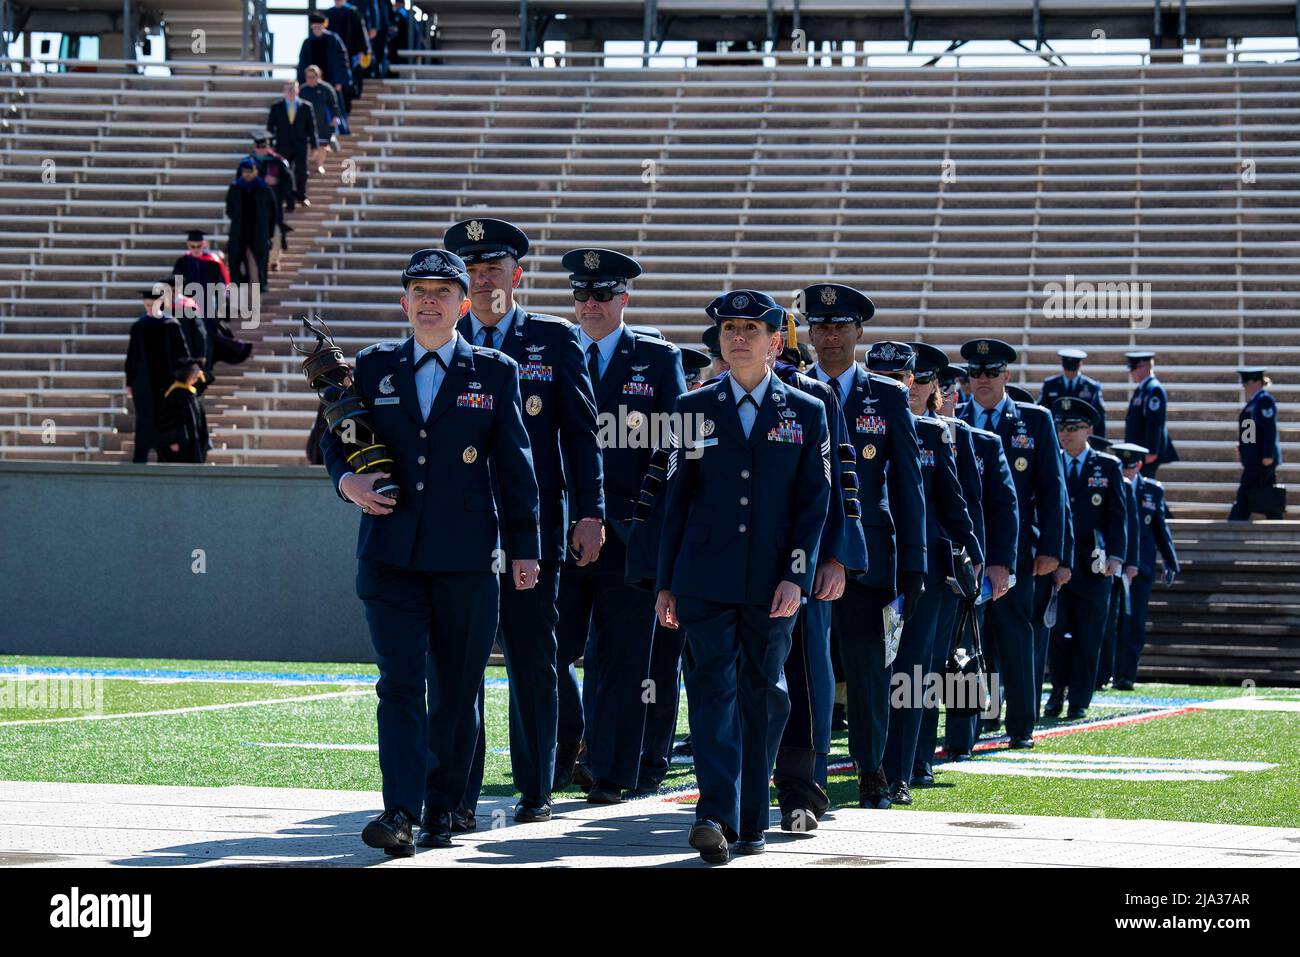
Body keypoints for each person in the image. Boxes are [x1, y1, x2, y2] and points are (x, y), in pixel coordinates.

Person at [321, 248, 540, 856]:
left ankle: (446, 807)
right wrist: (349, 483)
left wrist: (526, 549)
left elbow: (516, 469)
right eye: (418, 291)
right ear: (403, 302)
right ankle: (400, 811)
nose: (429, 301)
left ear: (463, 305)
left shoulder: (494, 371)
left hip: (467, 560)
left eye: (443, 292)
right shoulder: (372, 366)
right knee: (398, 684)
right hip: (390, 557)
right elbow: (335, 441)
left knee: (456, 688)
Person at [655, 289, 831, 863]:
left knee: (764, 694)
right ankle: (715, 816)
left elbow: (815, 504)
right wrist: (666, 581)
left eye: (751, 329)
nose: (738, 337)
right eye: (729, 328)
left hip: (773, 583)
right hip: (704, 578)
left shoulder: (807, 411)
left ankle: (752, 820)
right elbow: (675, 500)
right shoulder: (691, 408)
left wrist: (797, 577)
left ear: (776, 343)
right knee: (711, 692)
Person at [441, 219, 605, 827]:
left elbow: (583, 437)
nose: (483, 282)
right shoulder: (440, 340)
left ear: (517, 275)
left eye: (493, 271)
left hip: (533, 531)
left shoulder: (554, 339)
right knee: (460, 662)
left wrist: (590, 512)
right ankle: (459, 793)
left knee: (535, 659)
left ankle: (536, 787)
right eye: (473, 272)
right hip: (459, 529)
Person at [555, 248, 686, 805]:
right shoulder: (551, 350)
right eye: (581, 295)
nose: (590, 305)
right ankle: (561, 754)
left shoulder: (656, 359)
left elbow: (675, 448)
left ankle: (612, 770)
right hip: (556, 529)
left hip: (630, 535)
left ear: (623, 299)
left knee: (623, 658)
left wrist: (652, 526)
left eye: (602, 295)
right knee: (546, 650)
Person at [805, 294, 925, 809]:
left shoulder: (888, 397)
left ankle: (871, 766)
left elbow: (909, 487)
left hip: (868, 556)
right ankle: (803, 770)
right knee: (804, 669)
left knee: (868, 670)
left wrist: (914, 561)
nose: (830, 335)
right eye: (821, 326)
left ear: (859, 333)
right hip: (802, 554)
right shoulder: (789, 387)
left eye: (841, 326)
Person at [771, 284, 867, 831]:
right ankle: (734, 783)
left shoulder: (814, 399)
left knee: (807, 672)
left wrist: (835, 556)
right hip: (732, 563)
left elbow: (840, 486)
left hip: (803, 562)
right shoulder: (709, 397)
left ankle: (802, 787)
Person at [873, 341, 982, 805]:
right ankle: (868, 766)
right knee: (868, 673)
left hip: (927, 569)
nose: (899, 386)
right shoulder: (848, 421)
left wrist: (974, 552)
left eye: (903, 377)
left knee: (913, 672)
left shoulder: (936, 434)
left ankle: (901, 771)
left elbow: (954, 501)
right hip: (870, 563)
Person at [958, 338, 1068, 750]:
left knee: (1016, 638)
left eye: (991, 372)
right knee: (967, 641)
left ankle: (1021, 724)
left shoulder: (1034, 420)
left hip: (1017, 549)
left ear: (1007, 376)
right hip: (965, 548)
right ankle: (969, 726)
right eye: (975, 373)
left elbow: (1052, 491)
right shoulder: (955, 416)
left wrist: (1053, 550)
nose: (982, 380)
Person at [931, 363, 1018, 760]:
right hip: (928, 559)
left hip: (968, 564)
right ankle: (918, 739)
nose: (947, 395)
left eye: (951, 388)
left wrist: (999, 562)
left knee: (965, 651)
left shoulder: (980, 441)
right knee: (924, 656)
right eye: (940, 387)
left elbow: (1002, 506)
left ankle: (962, 737)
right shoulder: (909, 432)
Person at [1043, 398, 1128, 721]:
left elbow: (1118, 517)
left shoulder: (1107, 466)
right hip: (1057, 564)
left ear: (1089, 430)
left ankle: (1080, 698)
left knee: (1088, 636)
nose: (1066, 434)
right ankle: (1056, 693)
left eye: (1074, 427)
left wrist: (1116, 558)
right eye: (1061, 427)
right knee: (1057, 635)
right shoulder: (1050, 460)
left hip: (1094, 566)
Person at [1112, 442, 1179, 689]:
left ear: (1139, 465)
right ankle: (1104, 673)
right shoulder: (1111, 483)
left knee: (1134, 623)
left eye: (1130, 467)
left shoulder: (1152, 491)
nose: (1126, 472)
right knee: (1109, 623)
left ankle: (1126, 674)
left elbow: (1160, 529)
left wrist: (1170, 561)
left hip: (1141, 568)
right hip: (1113, 566)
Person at [124, 287, 191, 463]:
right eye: (146, 305)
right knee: (144, 420)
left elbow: (182, 355)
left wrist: (183, 378)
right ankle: (140, 458)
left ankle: (165, 459)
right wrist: (130, 381)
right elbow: (132, 355)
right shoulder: (139, 326)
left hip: (167, 383)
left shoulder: (171, 325)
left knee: (166, 420)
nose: (148, 308)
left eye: (151, 304)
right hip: (143, 383)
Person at [1229, 367, 1284, 520]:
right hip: (1254, 458)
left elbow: (1269, 429)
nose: (1244, 385)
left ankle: (1233, 526)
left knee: (1245, 493)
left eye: (1247, 381)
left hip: (1261, 459)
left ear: (1257, 382)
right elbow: (1250, 427)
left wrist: (1268, 455)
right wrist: (1244, 446)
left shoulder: (1264, 400)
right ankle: (1277, 523)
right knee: (1266, 493)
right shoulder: (1254, 403)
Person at [225, 158, 278, 290]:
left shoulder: (264, 189)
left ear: (256, 172)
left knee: (261, 258)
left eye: (250, 171)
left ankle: (262, 283)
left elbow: (273, 211)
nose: (247, 174)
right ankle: (236, 281)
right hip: (240, 229)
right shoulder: (236, 187)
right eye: (245, 171)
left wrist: (269, 232)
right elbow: (229, 208)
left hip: (258, 229)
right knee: (235, 256)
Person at [1124, 351, 1178, 478]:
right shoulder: (1143, 388)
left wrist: (1152, 450)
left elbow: (1155, 422)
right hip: (1138, 449)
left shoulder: (1153, 390)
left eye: (1135, 368)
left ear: (1147, 366)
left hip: (1145, 451)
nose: (1132, 372)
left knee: (1145, 486)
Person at [266, 81, 317, 208]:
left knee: (302, 172)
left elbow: (312, 128)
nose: (290, 92)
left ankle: (301, 195)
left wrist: (314, 145)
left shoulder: (306, 106)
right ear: (283, 91)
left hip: (300, 145)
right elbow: (270, 128)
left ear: (298, 90)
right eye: (287, 89)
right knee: (285, 173)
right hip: (283, 146)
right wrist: (270, 144)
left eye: (293, 89)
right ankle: (288, 200)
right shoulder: (276, 107)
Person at [1039, 348, 1106, 437]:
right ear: (1062, 364)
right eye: (1067, 366)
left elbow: (1099, 416)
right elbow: (1042, 411)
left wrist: (1099, 442)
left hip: (1080, 435)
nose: (1070, 372)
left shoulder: (1092, 387)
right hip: (1055, 434)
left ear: (1080, 365)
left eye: (1073, 367)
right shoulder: (1050, 385)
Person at [156, 358, 211, 463]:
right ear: (186, 373)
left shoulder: (190, 393)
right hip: (180, 445)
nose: (199, 374)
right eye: (195, 371)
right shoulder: (175, 394)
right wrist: (172, 440)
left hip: (193, 442)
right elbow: (167, 419)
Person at [298, 12, 353, 116]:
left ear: (324, 25)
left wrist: (339, 81)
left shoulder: (333, 39)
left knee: (335, 108)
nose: (317, 30)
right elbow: (302, 63)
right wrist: (302, 82)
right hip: (312, 82)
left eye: (319, 27)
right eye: (314, 28)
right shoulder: (307, 42)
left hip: (331, 79)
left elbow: (342, 59)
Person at [299, 65, 342, 175]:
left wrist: (335, 117)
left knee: (322, 145)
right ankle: (307, 166)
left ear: (318, 76)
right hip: (306, 124)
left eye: (313, 77)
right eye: (308, 77)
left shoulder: (326, 88)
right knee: (308, 145)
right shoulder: (303, 90)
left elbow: (334, 104)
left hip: (323, 122)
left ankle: (319, 165)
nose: (310, 79)